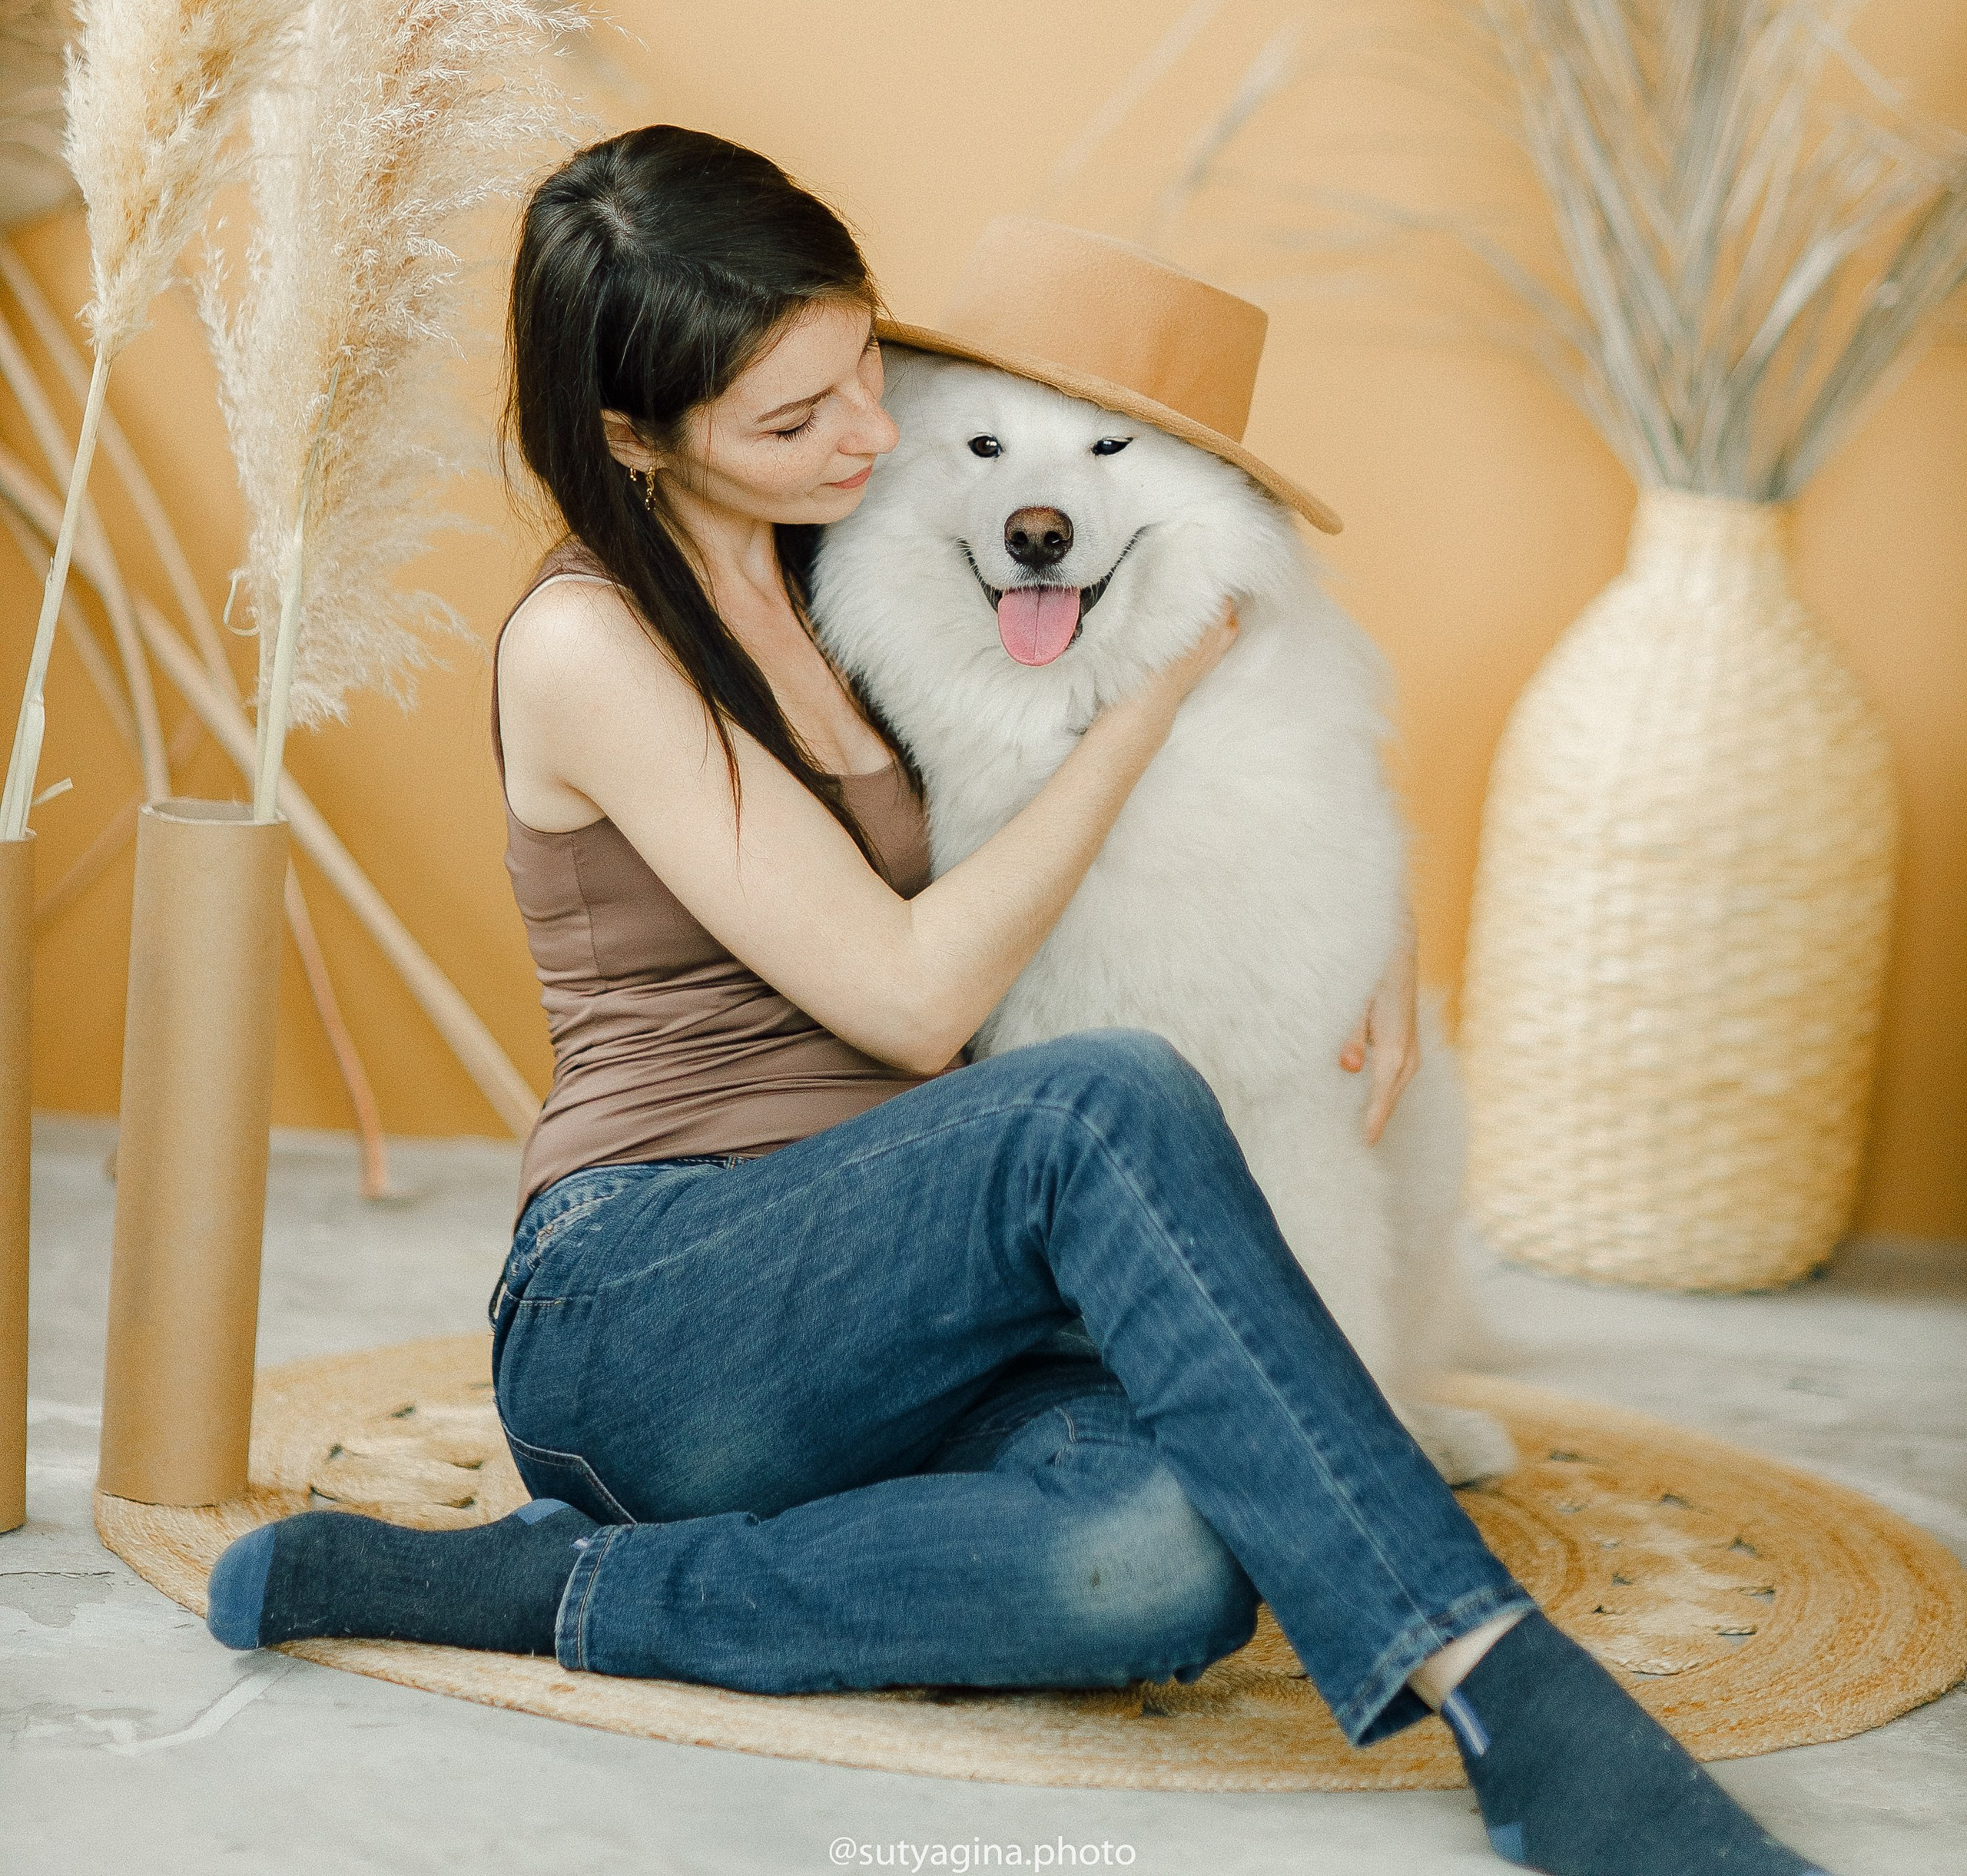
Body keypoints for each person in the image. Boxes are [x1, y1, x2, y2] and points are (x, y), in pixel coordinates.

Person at [211, 126, 1829, 1876]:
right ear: (630, 443)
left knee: (1169, 1561)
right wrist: (1153, 694)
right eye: (789, 418)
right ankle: (1514, 1694)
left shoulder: (843, 569)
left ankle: (559, 1586)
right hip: (653, 1312)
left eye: (863, 372)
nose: (863, 437)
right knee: (1099, 1100)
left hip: (904, 1311)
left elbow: (1219, 750)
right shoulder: (592, 643)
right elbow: (914, 1000)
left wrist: (1374, 923)